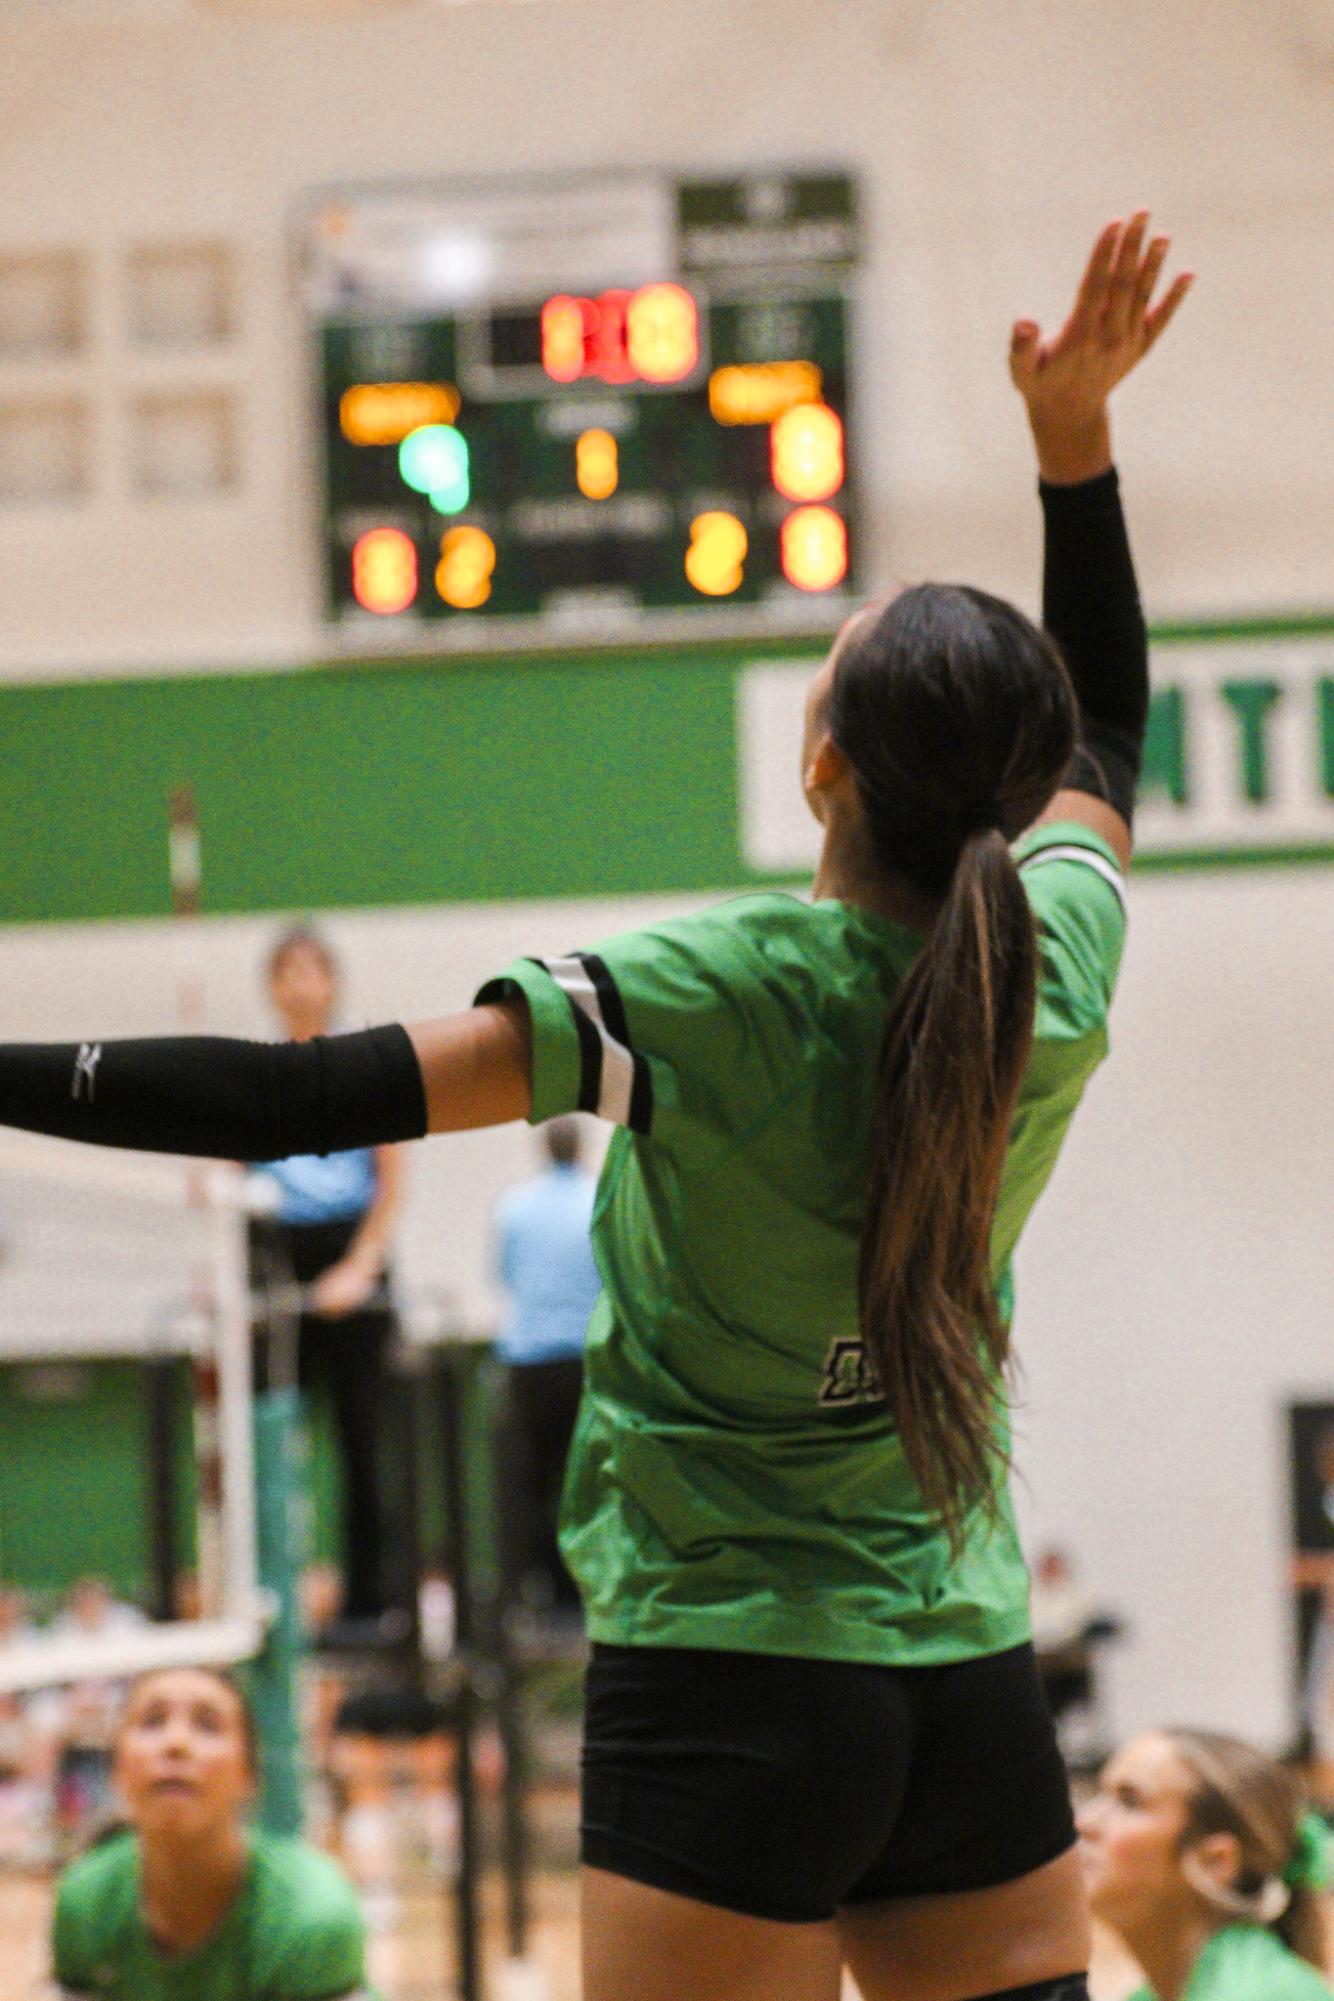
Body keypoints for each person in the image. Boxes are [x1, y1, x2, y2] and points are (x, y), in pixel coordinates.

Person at [0, 211, 1192, 2001]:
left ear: (819, 767)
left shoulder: (701, 991)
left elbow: (299, 1096)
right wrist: (1073, 453)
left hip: (725, 1691)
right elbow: (1105, 731)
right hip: (962, 1681)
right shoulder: (1058, 967)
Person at [248, 927, 407, 1624]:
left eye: (313, 970)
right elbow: (228, 1167)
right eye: (288, 971)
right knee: (267, 1439)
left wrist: (360, 1265)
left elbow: (392, 1176)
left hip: (349, 1254)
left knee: (364, 1444)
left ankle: (370, 1605)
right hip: (272, 1257)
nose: (301, 983)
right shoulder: (253, 1069)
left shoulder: (363, 1063)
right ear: (273, 986)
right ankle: (272, 1596)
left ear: (333, 982)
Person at [51, 1664, 375, 2000]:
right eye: (152, 1721)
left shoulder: (312, 1913)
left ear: (249, 1774)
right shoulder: (85, 1901)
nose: (175, 1743)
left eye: (208, 1725)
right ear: (116, 1767)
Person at [1078, 1728, 1334, 2000]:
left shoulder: (1257, 1993)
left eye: (1129, 1801)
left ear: (1215, 1861)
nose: (1082, 1821)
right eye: (1098, 1795)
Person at [493, 1116, 601, 1614]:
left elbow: (506, 1276)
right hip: (586, 1359)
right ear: (579, 1149)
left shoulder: (515, 1207)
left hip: (530, 1358)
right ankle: (580, 1592)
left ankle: (532, 1595)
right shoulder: (598, 1201)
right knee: (584, 1479)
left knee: (530, 1481)